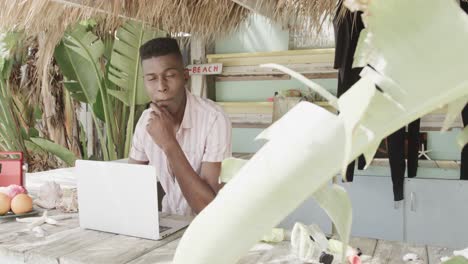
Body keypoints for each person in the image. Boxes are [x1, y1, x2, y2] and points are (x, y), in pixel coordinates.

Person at [129, 37, 232, 216]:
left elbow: (208, 208)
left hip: (209, 227)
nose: (161, 87)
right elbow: (129, 184)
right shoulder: (145, 122)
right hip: (170, 221)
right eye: (152, 78)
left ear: (185, 76)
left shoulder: (214, 119)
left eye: (169, 75)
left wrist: (168, 143)